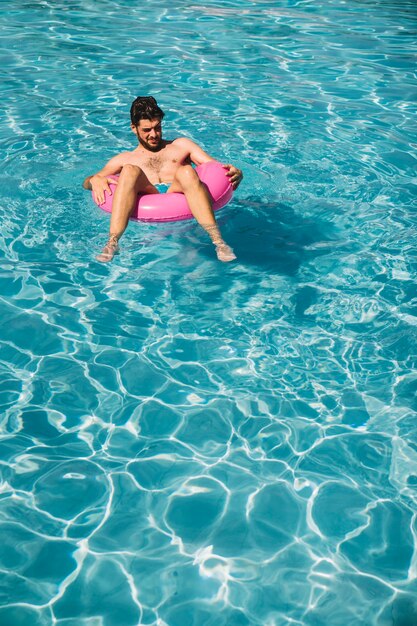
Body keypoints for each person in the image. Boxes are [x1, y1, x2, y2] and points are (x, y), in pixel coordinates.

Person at [83, 96, 243, 263]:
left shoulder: (182, 146)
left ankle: (218, 242)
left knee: (186, 171)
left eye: (157, 127)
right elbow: (88, 181)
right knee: (129, 170)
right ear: (134, 128)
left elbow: (215, 168)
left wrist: (236, 173)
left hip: (178, 189)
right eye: (146, 130)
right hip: (148, 193)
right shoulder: (124, 159)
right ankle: (112, 243)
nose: (154, 134)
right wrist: (94, 180)